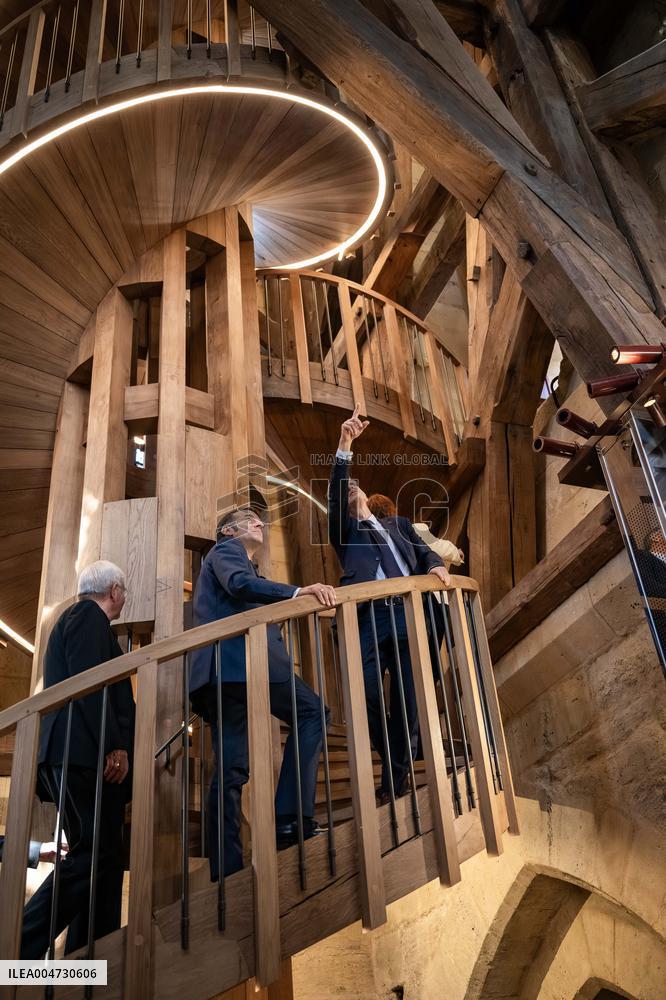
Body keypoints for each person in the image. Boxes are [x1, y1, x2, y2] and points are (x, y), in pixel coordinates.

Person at [189, 507, 335, 880]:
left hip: (252, 666)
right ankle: (266, 836)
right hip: (234, 665)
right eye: (250, 518)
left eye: (261, 519)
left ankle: (267, 836)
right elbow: (239, 584)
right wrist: (299, 591)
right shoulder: (226, 550)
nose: (260, 523)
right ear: (227, 530)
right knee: (236, 767)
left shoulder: (249, 565)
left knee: (236, 765)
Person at [328, 406, 451, 803]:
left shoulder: (398, 525)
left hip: (409, 614)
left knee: (409, 700)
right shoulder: (346, 533)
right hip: (368, 618)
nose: (351, 490)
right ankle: (397, 759)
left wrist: (436, 566)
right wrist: (345, 443)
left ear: (367, 495)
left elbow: (424, 551)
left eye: (355, 487)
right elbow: (337, 489)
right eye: (346, 489)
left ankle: (393, 784)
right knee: (365, 695)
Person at [21, 561, 135, 959]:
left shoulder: (78, 619)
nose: (124, 599)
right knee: (93, 855)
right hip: (82, 753)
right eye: (124, 593)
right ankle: (18, 946)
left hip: (79, 753)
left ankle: (86, 964)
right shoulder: (87, 616)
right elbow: (90, 686)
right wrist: (114, 745)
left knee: (103, 860)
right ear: (115, 591)